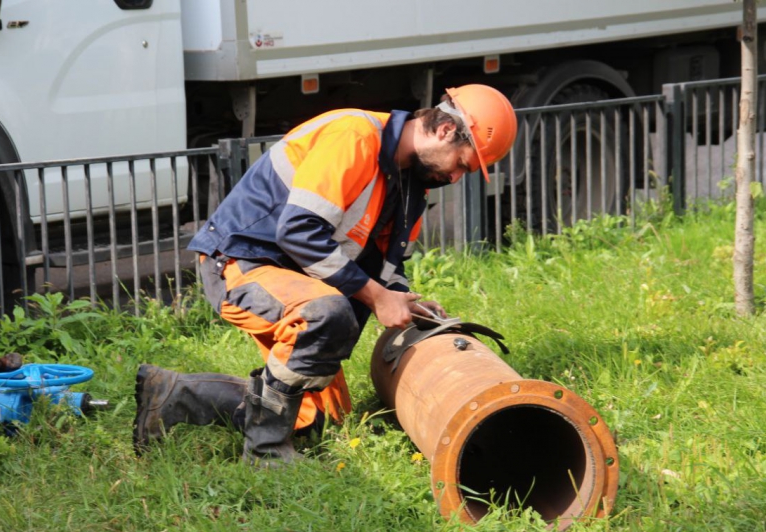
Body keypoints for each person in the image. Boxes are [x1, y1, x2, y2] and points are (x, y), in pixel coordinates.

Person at [133, 84, 517, 465]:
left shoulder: (411, 185)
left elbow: (385, 268)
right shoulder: (354, 136)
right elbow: (298, 232)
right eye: (462, 164)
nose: (456, 178)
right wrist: (377, 297)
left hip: (299, 281)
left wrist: (403, 301)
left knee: (318, 420)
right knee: (327, 314)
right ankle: (265, 453)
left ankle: (172, 394)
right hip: (240, 262)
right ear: (446, 130)